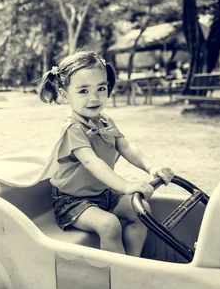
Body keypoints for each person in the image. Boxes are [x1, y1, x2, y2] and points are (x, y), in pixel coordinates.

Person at [37, 50, 174, 256]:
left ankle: (133, 264)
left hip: (104, 194)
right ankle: (118, 275)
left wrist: (152, 167)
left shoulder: (104, 121)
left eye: (101, 88)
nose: (94, 97)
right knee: (109, 225)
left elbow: (126, 147)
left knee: (141, 211)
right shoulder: (72, 128)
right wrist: (126, 185)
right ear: (65, 95)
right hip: (72, 201)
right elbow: (91, 162)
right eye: (83, 91)